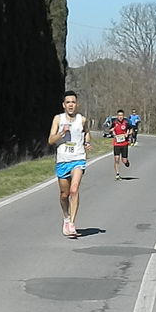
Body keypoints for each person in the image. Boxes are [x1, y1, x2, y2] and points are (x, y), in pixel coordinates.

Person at [48, 90, 92, 236]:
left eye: (73, 102)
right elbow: (50, 140)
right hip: (63, 160)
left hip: (78, 159)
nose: (71, 105)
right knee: (64, 194)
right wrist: (62, 133)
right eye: (68, 102)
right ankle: (66, 218)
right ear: (63, 105)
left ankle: (72, 224)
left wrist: (87, 142)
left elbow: (86, 132)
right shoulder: (58, 119)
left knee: (74, 190)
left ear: (77, 104)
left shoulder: (82, 119)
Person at [110, 109, 132, 180]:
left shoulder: (126, 122)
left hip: (124, 143)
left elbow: (131, 129)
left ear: (123, 116)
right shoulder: (114, 122)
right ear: (117, 116)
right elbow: (110, 129)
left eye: (121, 115)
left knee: (124, 160)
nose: (120, 117)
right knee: (116, 159)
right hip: (116, 143)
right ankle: (117, 174)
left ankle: (126, 162)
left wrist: (127, 134)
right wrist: (113, 132)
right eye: (119, 115)